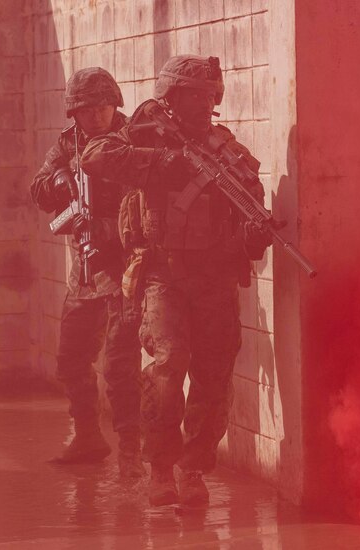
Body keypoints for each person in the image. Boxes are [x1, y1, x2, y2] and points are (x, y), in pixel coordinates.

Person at [80, 55, 271, 507]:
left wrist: (254, 236)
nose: (205, 104)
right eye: (195, 95)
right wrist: (165, 164)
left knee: (214, 375)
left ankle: (193, 470)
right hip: (163, 275)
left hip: (215, 278)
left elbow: (250, 209)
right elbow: (94, 156)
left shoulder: (228, 151)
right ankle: (160, 469)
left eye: (210, 96)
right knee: (168, 369)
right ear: (172, 97)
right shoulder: (146, 133)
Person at [29, 67, 144, 479]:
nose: (96, 116)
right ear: (74, 113)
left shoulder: (136, 139)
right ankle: (88, 437)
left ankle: (132, 449)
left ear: (115, 104)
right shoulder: (67, 143)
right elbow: (38, 189)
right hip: (85, 271)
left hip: (126, 269)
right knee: (71, 360)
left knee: (120, 365)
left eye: (103, 106)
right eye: (86, 109)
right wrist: (61, 181)